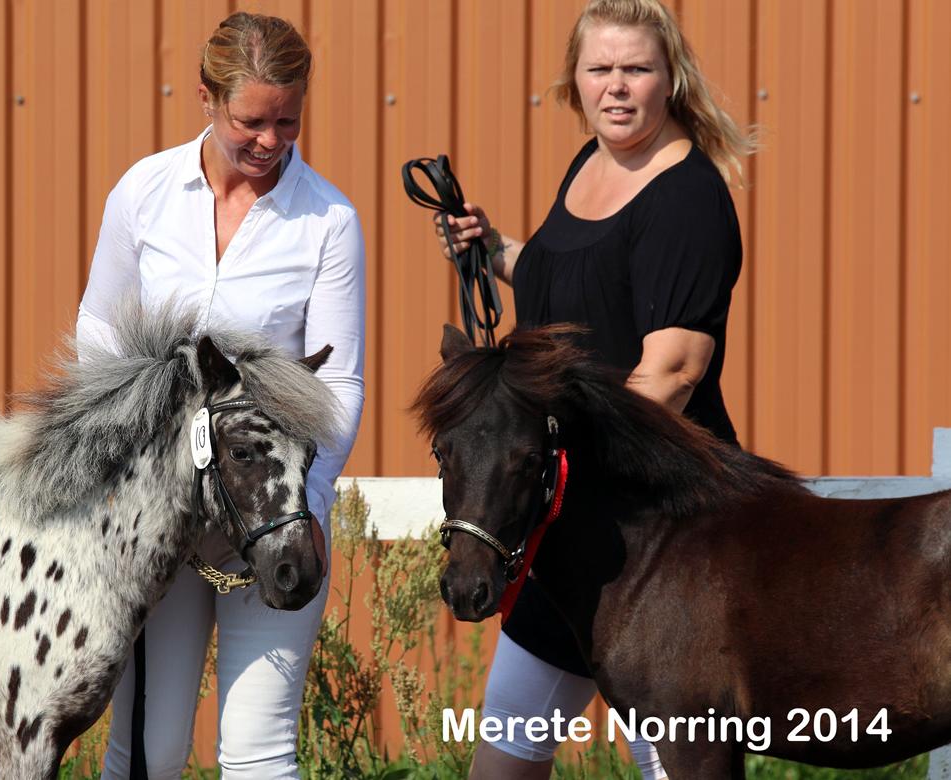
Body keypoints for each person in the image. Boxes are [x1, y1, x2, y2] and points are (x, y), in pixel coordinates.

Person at [433, 1, 754, 778]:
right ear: (574, 82)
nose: (617, 88)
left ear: (670, 78)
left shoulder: (687, 198)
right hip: (571, 535)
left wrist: (565, 467)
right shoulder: (591, 163)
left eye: (636, 69)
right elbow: (578, 287)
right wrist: (499, 250)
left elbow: (672, 373)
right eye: (599, 70)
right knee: (504, 761)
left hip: (660, 543)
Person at [76, 12, 365, 779]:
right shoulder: (145, 191)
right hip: (158, 514)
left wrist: (315, 499)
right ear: (206, 96)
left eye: (288, 121)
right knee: (147, 750)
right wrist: (112, 465)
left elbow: (340, 379)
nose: (271, 141)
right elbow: (99, 331)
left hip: (270, 514)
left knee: (260, 755)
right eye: (251, 121)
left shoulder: (329, 220)